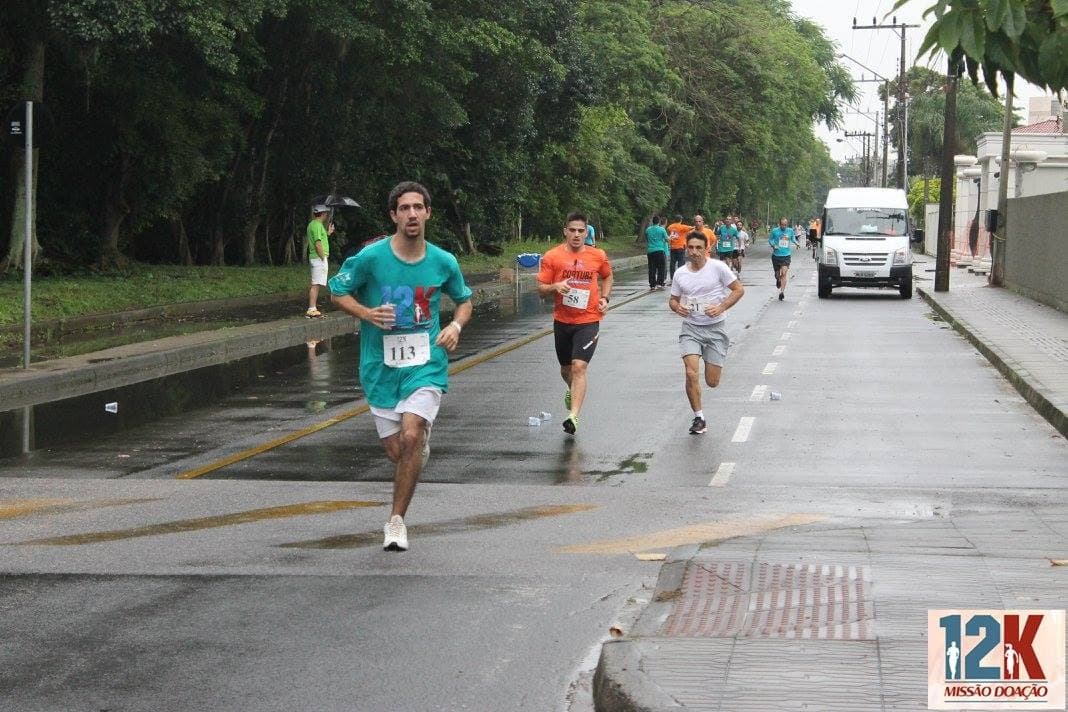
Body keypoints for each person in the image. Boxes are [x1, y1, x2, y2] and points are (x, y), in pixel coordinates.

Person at [328, 181, 473, 552]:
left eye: (418, 207)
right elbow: (337, 290)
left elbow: (464, 300)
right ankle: (417, 446)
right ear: (393, 215)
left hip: (426, 364)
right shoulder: (371, 258)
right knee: (398, 451)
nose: (412, 214)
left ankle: (396, 522)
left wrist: (455, 326)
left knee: (410, 436)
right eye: (404, 208)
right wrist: (366, 313)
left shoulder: (444, 261)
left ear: (428, 213)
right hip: (380, 367)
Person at [537, 211, 613, 435]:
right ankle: (572, 389)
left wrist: (605, 298)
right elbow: (541, 289)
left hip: (588, 320)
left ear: (586, 232)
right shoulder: (552, 256)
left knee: (579, 366)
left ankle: (573, 416)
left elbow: (607, 276)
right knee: (566, 369)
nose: (577, 235)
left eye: (581, 231)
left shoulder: (597, 255)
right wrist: (555, 287)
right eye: (572, 230)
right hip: (562, 321)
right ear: (565, 231)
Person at [668, 230, 744, 434]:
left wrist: (721, 307)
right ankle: (699, 417)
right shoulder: (680, 273)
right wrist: (677, 308)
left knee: (712, 382)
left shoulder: (718, 268)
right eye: (690, 248)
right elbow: (673, 300)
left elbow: (739, 290)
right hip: (691, 329)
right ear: (686, 249)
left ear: (707, 249)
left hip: (715, 329)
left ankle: (714, 362)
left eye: (698, 248)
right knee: (690, 372)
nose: (694, 252)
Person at [306, 205, 335, 318]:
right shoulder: (317, 225)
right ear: (322, 214)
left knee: (316, 283)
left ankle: (313, 308)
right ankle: (311, 309)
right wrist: (323, 257)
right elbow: (318, 243)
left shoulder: (312, 224)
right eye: (326, 213)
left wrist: (328, 233)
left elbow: (320, 238)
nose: (327, 215)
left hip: (315, 257)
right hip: (319, 258)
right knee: (316, 284)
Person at [769, 217, 799, 301]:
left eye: (785, 225)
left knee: (784, 273)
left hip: (786, 256)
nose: (784, 226)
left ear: (787, 224)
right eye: (782, 225)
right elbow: (770, 240)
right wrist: (773, 245)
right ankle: (778, 279)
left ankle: (782, 292)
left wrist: (796, 243)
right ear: (779, 224)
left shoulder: (790, 231)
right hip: (776, 256)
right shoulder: (775, 231)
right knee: (777, 275)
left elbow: (793, 238)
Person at [644, 215, 669, 290]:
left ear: (652, 221)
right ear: (659, 222)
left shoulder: (648, 230)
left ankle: (652, 284)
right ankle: (660, 283)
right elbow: (667, 239)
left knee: (652, 268)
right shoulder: (662, 230)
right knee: (661, 267)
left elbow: (647, 239)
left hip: (650, 251)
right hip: (660, 250)